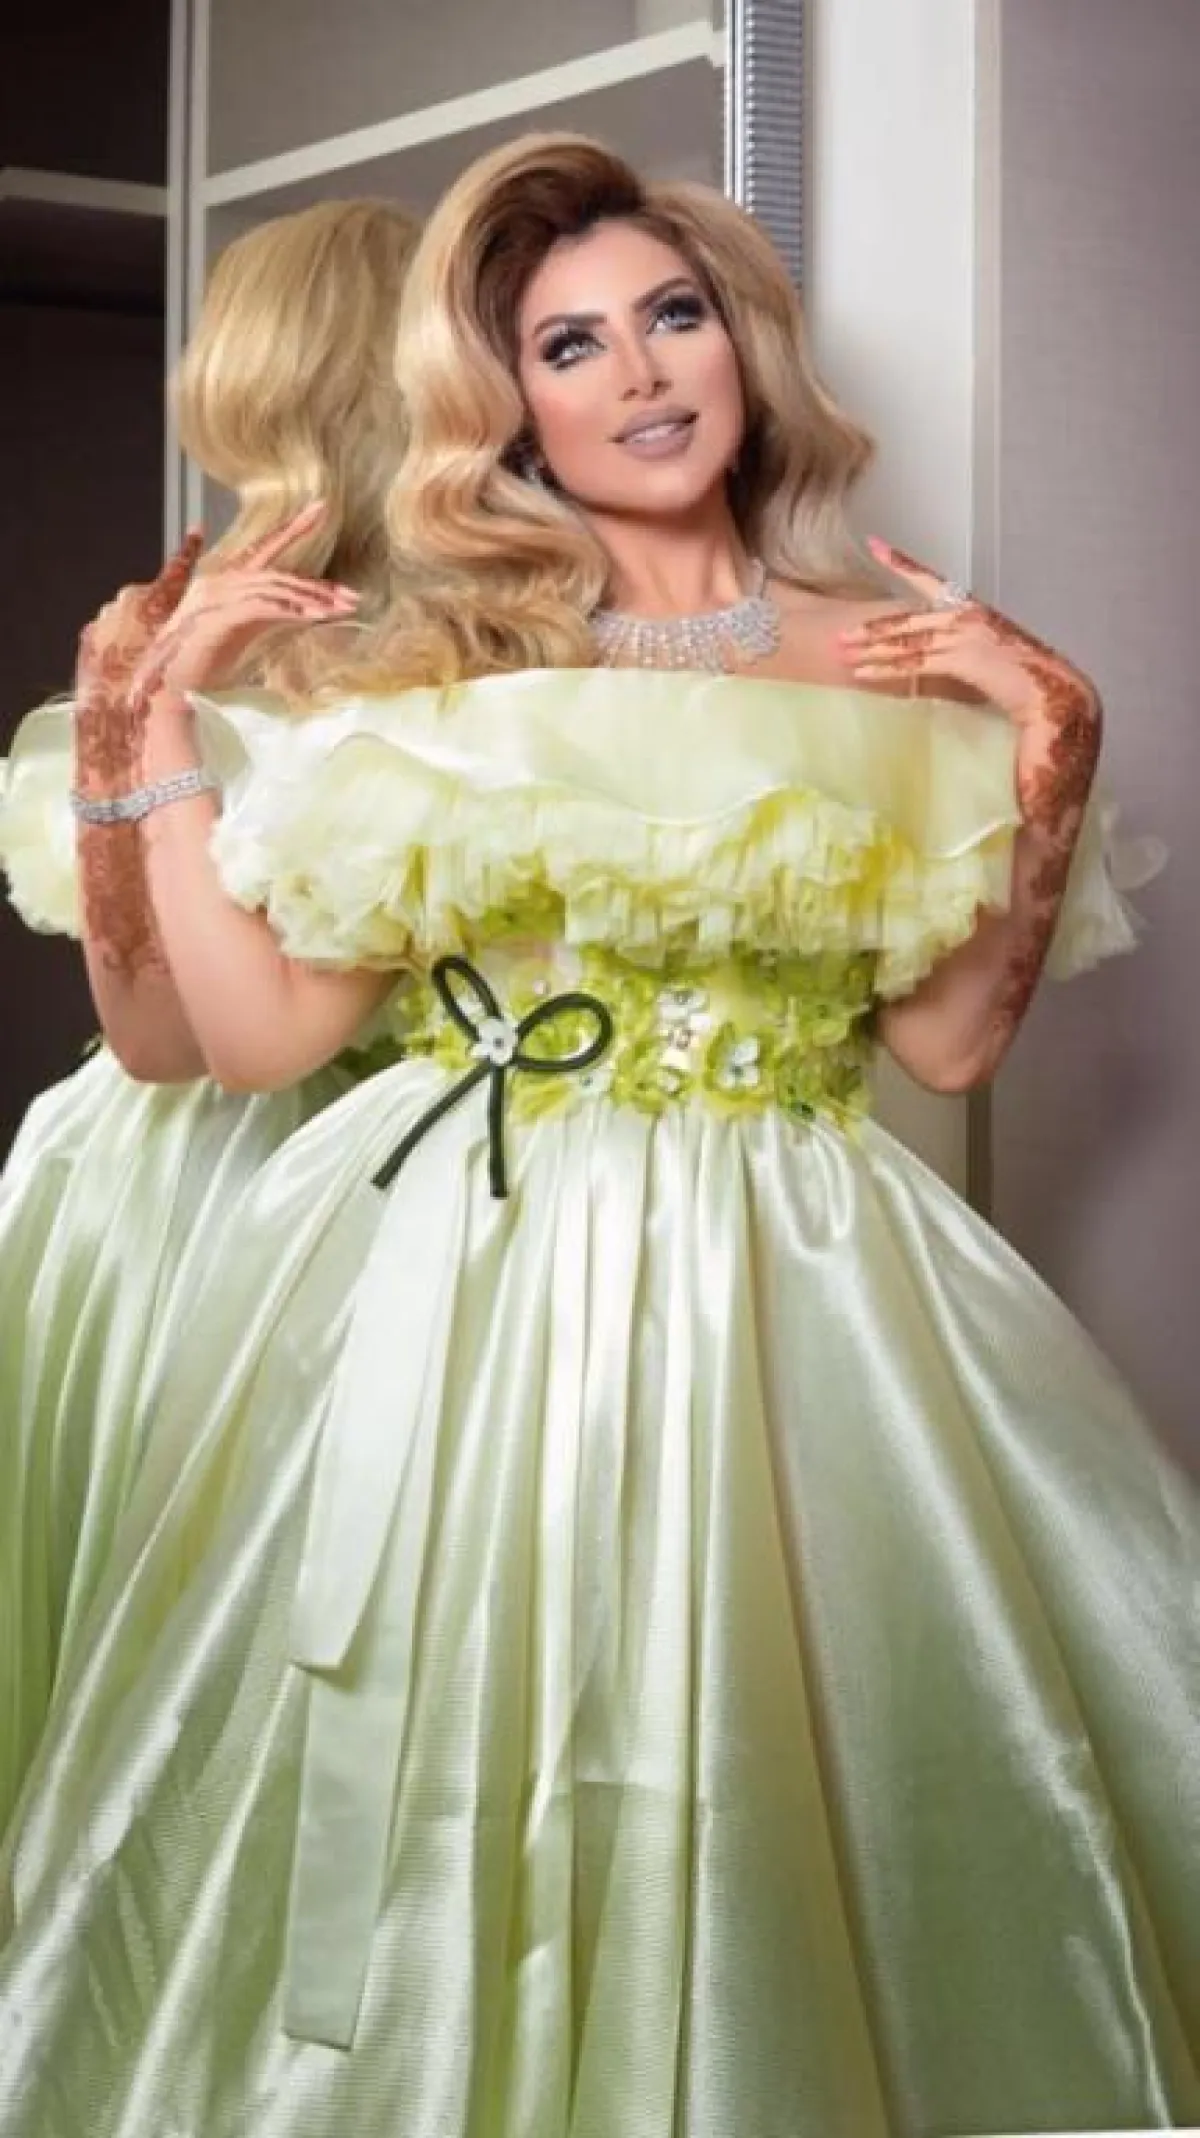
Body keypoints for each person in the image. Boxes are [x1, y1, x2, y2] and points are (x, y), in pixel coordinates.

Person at [1, 132, 1196, 2137]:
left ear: (746, 344)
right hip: (472, 1293)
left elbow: (946, 1046)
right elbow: (256, 1034)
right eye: (570, 345)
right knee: (462, 1771)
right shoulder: (447, 674)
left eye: (673, 315)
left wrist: (1053, 743)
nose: (639, 373)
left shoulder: (888, 666)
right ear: (512, 406)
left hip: (806, 1297)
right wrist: (162, 734)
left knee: (808, 1768)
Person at [0, 197, 421, 1842]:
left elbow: (168, 1031)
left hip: (267, 1176)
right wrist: (127, 721)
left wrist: (140, 718)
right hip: (181, 1178)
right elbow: (147, 1026)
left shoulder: (444, 658)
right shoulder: (185, 622)